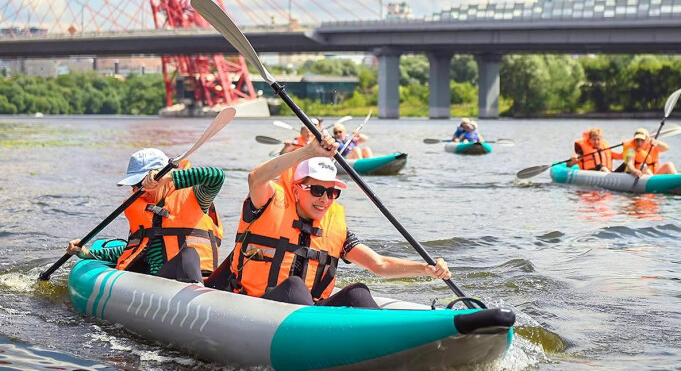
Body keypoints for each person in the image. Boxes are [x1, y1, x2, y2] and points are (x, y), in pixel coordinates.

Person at [228, 132, 451, 308]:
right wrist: (308, 151)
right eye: (316, 190)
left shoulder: (334, 229)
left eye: (332, 192)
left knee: (358, 293)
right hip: (260, 306)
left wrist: (426, 268)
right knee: (294, 286)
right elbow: (255, 178)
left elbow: (378, 264)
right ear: (296, 191)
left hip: (310, 311)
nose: (325, 199)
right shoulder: (267, 204)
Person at [66, 148, 225, 283]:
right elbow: (133, 250)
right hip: (158, 284)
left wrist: (169, 177)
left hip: (199, 281)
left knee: (188, 255)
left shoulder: (198, 198)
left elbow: (216, 176)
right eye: (134, 186)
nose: (136, 191)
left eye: (142, 183)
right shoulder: (142, 210)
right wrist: (87, 253)